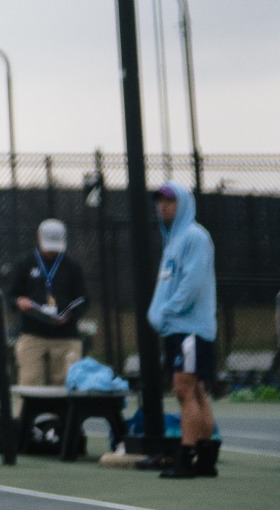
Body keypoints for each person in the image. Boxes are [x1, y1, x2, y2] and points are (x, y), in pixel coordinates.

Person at [148, 182, 219, 479]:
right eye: (160, 201)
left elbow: (192, 282)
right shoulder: (173, 241)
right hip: (178, 329)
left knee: (184, 389)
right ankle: (205, 459)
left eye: (170, 201)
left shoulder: (194, 236)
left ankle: (186, 457)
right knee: (196, 391)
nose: (163, 206)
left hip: (189, 329)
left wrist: (168, 310)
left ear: (183, 204)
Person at [7, 219, 87, 387]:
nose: (51, 252)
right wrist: (18, 302)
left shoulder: (72, 266)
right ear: (38, 239)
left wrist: (69, 315)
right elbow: (11, 296)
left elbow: (83, 299)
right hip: (33, 334)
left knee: (65, 383)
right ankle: (28, 414)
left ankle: (63, 414)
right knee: (30, 382)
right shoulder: (25, 263)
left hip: (66, 335)